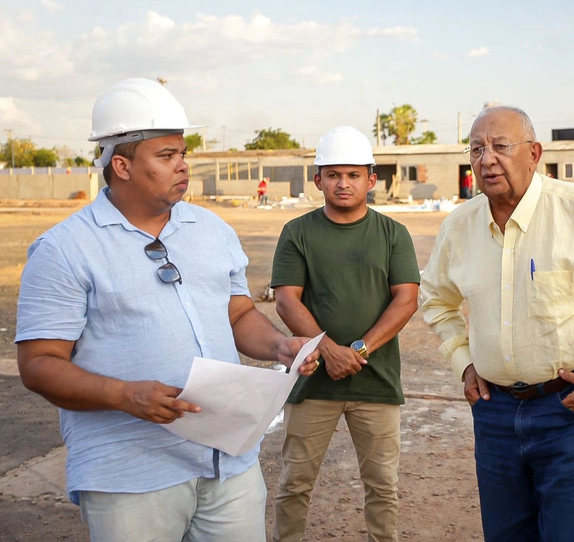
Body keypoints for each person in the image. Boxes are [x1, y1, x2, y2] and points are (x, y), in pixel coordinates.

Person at [15, 77, 320, 542]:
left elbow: (237, 314)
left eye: (183, 154)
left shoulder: (211, 229)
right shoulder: (65, 249)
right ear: (121, 165)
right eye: (166, 156)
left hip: (228, 462)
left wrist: (280, 344)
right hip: (131, 473)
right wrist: (124, 395)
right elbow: (39, 364)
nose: (183, 167)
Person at [420, 106, 574, 542]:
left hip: (569, 409)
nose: (487, 159)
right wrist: (464, 363)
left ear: (534, 154)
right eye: (476, 149)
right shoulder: (460, 226)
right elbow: (434, 299)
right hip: (494, 414)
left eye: (501, 146)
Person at [271, 125, 420, 542]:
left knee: (382, 487)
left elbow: (406, 300)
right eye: (333, 174)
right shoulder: (298, 232)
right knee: (295, 483)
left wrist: (358, 350)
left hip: (377, 382)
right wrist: (330, 351)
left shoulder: (393, 233)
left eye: (354, 175)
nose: (343, 183)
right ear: (317, 180)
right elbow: (286, 301)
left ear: (371, 180)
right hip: (311, 382)